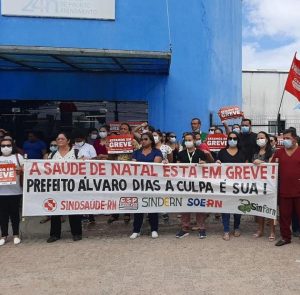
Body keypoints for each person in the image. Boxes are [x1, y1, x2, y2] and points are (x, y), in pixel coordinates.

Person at [47, 132, 82, 243]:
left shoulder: (76, 153)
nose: (59, 140)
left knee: (73, 209)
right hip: (57, 186)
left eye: (62, 138)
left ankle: (76, 233)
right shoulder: (52, 155)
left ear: (68, 141)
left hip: (73, 186)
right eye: (58, 139)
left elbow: (83, 167)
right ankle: (55, 234)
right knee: (55, 210)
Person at [175, 132, 209, 239]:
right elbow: (176, 166)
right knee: (185, 205)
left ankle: (201, 228)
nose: (188, 142)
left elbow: (208, 165)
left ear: (194, 141)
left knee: (199, 205)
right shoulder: (181, 153)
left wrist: (205, 163)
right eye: (186, 140)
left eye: (190, 140)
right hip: (184, 184)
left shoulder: (200, 152)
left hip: (199, 184)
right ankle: (185, 228)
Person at [130, 132, 163, 239]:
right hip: (138, 183)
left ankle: (154, 229)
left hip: (152, 183)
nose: (143, 141)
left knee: (152, 206)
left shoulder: (157, 152)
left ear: (151, 141)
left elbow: (156, 165)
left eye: (145, 139)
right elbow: (133, 166)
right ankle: (136, 230)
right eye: (142, 139)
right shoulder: (136, 152)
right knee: (138, 207)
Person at [271, 128, 300, 246]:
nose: (285, 141)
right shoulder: (279, 153)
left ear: (295, 139)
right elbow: (270, 167)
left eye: (287, 138)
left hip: (299, 190)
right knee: (284, 216)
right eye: (283, 139)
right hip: (284, 190)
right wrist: (260, 164)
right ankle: (285, 237)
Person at [217, 131, 247, 241]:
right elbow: (217, 164)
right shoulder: (222, 152)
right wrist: (218, 163)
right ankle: (226, 230)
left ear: (238, 140)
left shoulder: (243, 152)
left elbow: (248, 167)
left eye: (235, 138)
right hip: (225, 185)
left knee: (238, 208)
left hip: (239, 185)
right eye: (230, 138)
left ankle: (237, 227)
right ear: (227, 139)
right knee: (225, 208)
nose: (232, 140)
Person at [107, 122, 139, 224]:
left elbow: (138, 153)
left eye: (125, 129)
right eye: (121, 129)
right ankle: (115, 214)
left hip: (130, 170)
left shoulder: (133, 141)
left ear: (129, 131)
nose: (123, 130)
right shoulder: (113, 141)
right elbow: (110, 158)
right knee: (116, 191)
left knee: (128, 191)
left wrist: (134, 147)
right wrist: (111, 150)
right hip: (116, 170)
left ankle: (127, 213)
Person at [252, 131, 275, 241]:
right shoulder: (254, 152)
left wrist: (261, 163)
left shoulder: (273, 151)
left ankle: (272, 231)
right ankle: (260, 230)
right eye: (258, 138)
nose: (259, 139)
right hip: (257, 183)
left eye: (261, 137)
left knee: (270, 207)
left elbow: (272, 164)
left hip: (270, 184)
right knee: (259, 208)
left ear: (266, 139)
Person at [0, 138, 23, 246]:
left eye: (8, 145)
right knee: (2, 215)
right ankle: (3, 235)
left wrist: (20, 169)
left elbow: (26, 169)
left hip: (15, 191)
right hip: (1, 192)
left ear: (12, 146)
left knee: (15, 214)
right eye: (3, 146)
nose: (6, 148)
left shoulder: (18, 157)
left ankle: (16, 234)